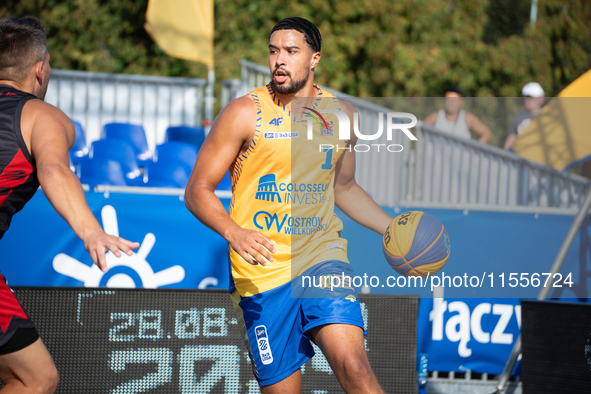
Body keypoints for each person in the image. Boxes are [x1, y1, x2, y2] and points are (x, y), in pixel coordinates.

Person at [185, 17, 392, 393]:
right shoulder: (243, 113)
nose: (280, 60)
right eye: (274, 50)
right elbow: (197, 189)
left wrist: (391, 227)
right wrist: (234, 231)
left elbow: (343, 188)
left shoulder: (343, 116)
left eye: (291, 51)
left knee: (355, 367)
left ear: (314, 59)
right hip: (261, 273)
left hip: (321, 257)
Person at [0, 17, 139, 393]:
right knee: (35, 379)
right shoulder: (42, 116)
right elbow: (53, 169)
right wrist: (91, 231)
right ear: (40, 69)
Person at [424, 86, 493, 143]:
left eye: (454, 100)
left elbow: (487, 133)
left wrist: (475, 149)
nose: (451, 103)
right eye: (448, 99)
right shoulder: (435, 117)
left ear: (461, 101)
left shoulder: (468, 118)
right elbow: (418, 132)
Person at [503, 82, 545, 150]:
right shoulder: (518, 116)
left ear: (541, 99)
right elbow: (510, 140)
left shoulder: (546, 118)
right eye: (526, 97)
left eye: (532, 97)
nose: (529, 100)